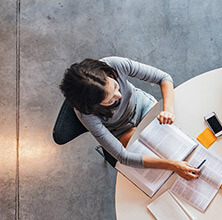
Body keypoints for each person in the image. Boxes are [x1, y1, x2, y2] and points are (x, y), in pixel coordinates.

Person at [59, 56, 199, 180]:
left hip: (143, 106)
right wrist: (173, 166)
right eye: (110, 100)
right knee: (159, 160)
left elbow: (164, 78)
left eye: (115, 86)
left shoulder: (114, 65)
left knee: (180, 135)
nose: (119, 95)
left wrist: (168, 110)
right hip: (120, 130)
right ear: (94, 106)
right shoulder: (86, 114)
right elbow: (123, 156)